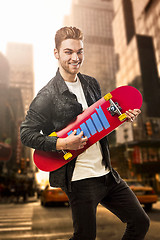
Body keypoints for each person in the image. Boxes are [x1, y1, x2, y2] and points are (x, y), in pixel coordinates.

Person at [20, 26, 150, 240]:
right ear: (56, 54)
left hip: (107, 173)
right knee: (85, 237)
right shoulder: (47, 95)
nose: (75, 57)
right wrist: (61, 144)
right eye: (68, 52)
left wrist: (121, 118)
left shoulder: (91, 83)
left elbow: (101, 125)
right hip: (80, 180)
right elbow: (26, 134)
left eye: (79, 51)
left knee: (140, 222)